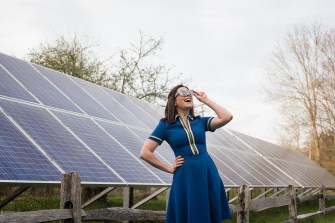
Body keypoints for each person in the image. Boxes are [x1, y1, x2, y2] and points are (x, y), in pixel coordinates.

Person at [140, 84, 233, 223]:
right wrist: (169, 168)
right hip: (185, 175)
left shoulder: (200, 122)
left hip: (207, 171)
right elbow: (145, 153)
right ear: (174, 100)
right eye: (183, 92)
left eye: (189, 92)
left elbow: (227, 116)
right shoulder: (165, 125)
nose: (188, 94)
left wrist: (206, 100)